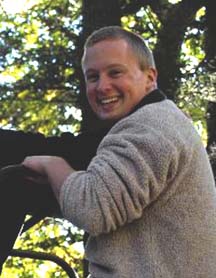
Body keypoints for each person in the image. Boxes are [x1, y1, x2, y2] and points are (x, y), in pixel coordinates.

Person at [21, 26, 216, 278]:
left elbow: (93, 209)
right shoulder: (161, 121)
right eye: (92, 77)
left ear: (150, 77)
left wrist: (52, 165)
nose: (102, 86)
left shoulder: (150, 125)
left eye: (115, 72)